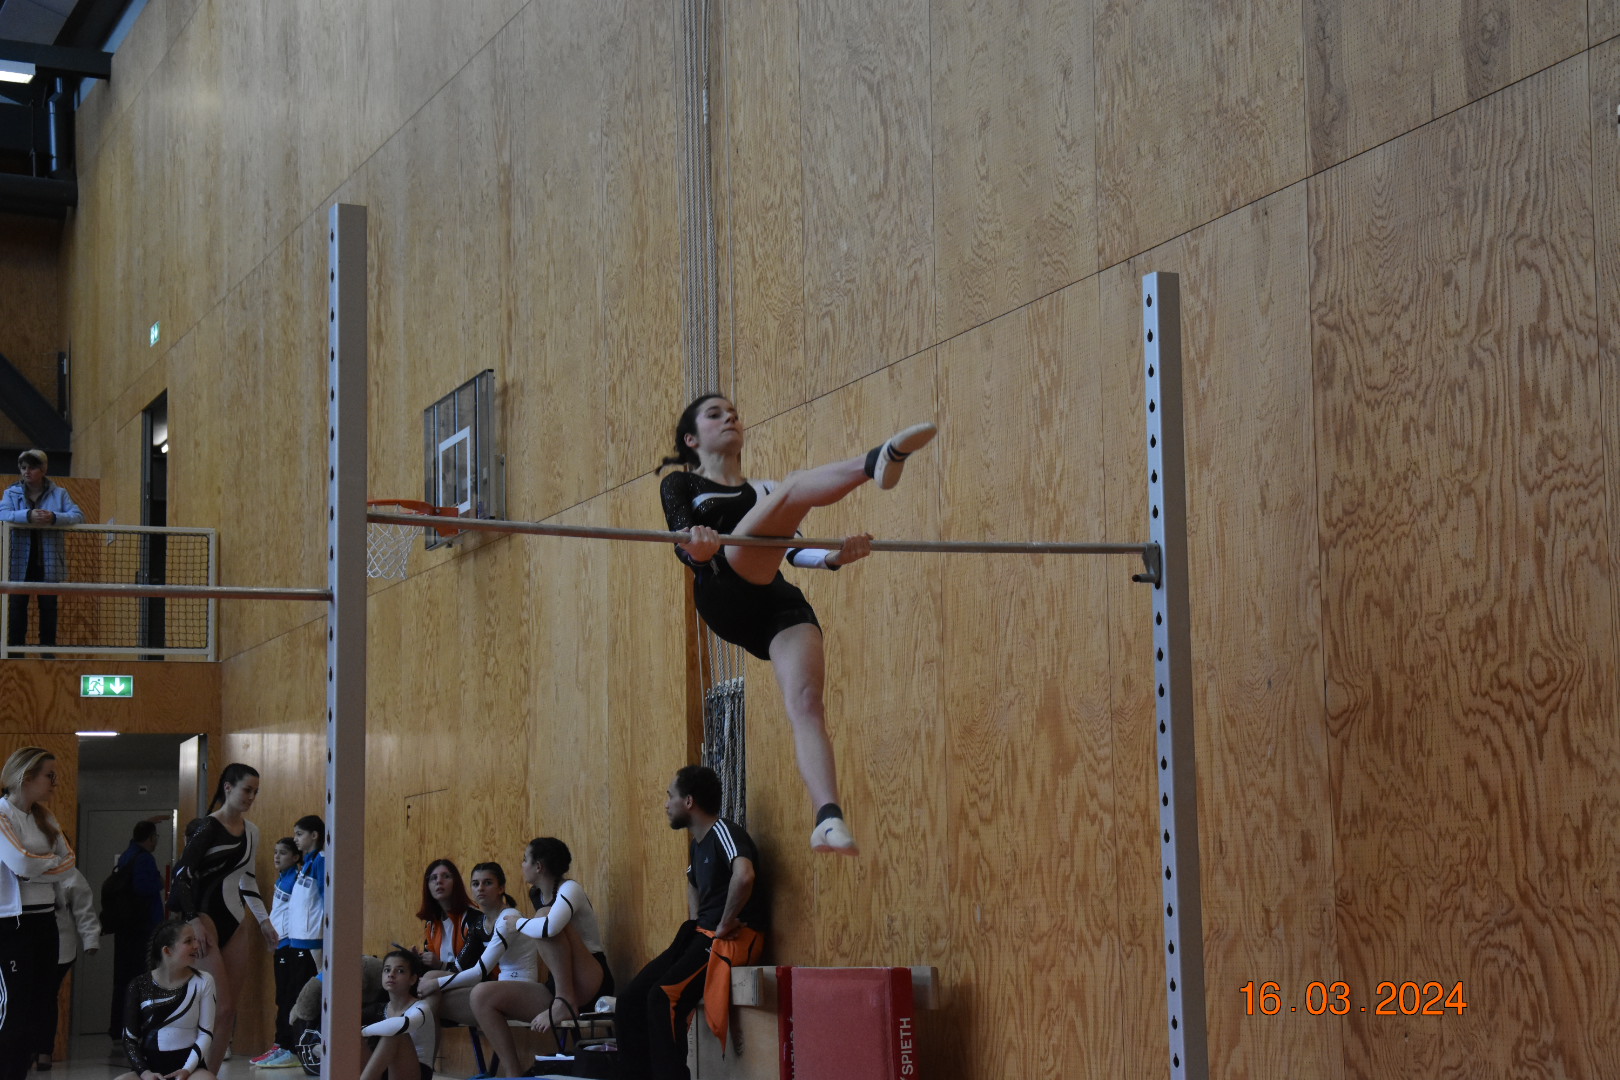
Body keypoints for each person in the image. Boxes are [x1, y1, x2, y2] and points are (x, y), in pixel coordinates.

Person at [659, 394, 935, 855]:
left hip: (775, 601)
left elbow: (793, 551)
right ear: (691, 439)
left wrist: (833, 557)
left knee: (807, 704)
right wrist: (696, 550)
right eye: (715, 414)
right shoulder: (681, 483)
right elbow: (682, 540)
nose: (730, 417)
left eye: (734, 412)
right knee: (795, 487)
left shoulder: (765, 490)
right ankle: (874, 462)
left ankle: (828, 818)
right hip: (723, 588)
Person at [618, 766, 766, 1080]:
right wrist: (698, 921)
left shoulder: (725, 832)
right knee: (630, 999)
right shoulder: (698, 844)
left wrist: (724, 923)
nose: (666, 804)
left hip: (731, 936)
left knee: (663, 997)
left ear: (688, 801)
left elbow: (744, 876)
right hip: (703, 933)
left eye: (669, 796)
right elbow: (692, 881)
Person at [421, 839, 611, 1077]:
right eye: (476, 884)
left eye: (524, 859)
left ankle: (564, 1002)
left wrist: (520, 923)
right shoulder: (535, 895)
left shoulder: (569, 889)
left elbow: (549, 927)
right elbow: (462, 966)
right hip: (558, 984)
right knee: (481, 995)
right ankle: (512, 1074)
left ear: (538, 866)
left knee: (543, 916)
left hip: (590, 979)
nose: (522, 865)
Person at [167, 763, 276, 1073]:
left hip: (235, 921)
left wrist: (263, 921)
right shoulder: (207, 827)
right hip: (204, 920)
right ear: (228, 788)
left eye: (255, 792)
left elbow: (247, 880)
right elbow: (181, 875)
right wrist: (193, 921)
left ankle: (209, 1075)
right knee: (218, 1005)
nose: (251, 797)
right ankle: (188, 1070)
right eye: (247, 790)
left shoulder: (252, 832)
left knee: (228, 1012)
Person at [0, 746, 77, 1080]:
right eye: (49, 775)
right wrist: (42, 866)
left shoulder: (45, 817)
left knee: (39, 1008)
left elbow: (69, 863)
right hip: (12, 924)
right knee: (14, 1011)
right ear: (26, 777)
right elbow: (19, 862)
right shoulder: (2, 814)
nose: (54, 783)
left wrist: (34, 869)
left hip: (45, 921)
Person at [2, 449, 85, 654]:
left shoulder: (60, 494)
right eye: (23, 468)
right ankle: (15, 653)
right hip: (19, 562)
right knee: (17, 606)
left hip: (48, 561)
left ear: (43, 469)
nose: (26, 472)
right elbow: (2, 514)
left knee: (48, 607)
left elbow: (78, 515)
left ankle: (47, 652)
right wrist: (28, 516)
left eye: (32, 467)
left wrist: (54, 517)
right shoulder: (11, 493)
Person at [114, 917, 218, 1080]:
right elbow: (129, 1038)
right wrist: (145, 1073)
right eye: (188, 941)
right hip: (150, 1068)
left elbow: (206, 1033)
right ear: (167, 951)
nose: (196, 945)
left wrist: (187, 1070)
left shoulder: (203, 981)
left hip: (190, 1069)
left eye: (195, 940)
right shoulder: (139, 985)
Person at [108, 820, 166, 1049]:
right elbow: (143, 887)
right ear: (150, 838)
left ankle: (119, 1027)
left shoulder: (126, 856)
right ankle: (137, 1027)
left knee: (123, 979)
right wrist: (159, 882)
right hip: (142, 929)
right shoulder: (144, 859)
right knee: (141, 979)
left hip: (126, 928)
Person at [36, 866, 99, 1070]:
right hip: (27, 947)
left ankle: (44, 1051)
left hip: (60, 947)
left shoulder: (67, 873)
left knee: (46, 997)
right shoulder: (21, 867)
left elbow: (83, 908)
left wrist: (90, 939)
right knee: (27, 999)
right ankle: (30, 1049)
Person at [248, 836, 301, 1068]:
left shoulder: (297, 879)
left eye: (283, 852)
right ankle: (280, 1044)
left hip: (291, 946)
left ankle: (289, 1048)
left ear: (296, 857)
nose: (277, 857)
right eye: (275, 852)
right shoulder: (282, 878)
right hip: (280, 945)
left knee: (289, 998)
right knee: (281, 998)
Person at [360, 950, 437, 1080]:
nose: (391, 974)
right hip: (385, 1072)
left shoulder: (421, 1007)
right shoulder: (379, 1008)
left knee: (395, 1034)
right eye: (387, 970)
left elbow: (402, 1025)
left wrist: (363, 1030)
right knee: (354, 1036)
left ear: (412, 979)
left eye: (400, 971)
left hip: (416, 1072)